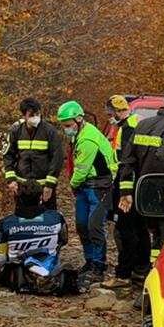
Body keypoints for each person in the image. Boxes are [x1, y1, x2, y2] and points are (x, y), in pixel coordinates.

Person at [117, 87, 164, 268]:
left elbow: (127, 160)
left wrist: (126, 191)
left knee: (147, 232)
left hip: (142, 190)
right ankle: (163, 269)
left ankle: (146, 269)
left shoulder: (142, 125)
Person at [58, 100, 117, 285]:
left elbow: (81, 170)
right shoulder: (78, 134)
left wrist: (72, 185)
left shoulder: (87, 139)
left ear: (78, 119)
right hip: (85, 186)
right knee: (82, 225)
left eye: (68, 125)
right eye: (64, 126)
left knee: (94, 225)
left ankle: (99, 266)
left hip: (100, 186)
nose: (66, 129)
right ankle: (89, 260)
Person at [106, 95, 145, 287]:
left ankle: (124, 274)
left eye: (110, 114)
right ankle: (141, 269)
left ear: (117, 111)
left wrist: (124, 192)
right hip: (137, 184)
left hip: (127, 185)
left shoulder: (128, 128)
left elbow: (128, 161)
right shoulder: (137, 122)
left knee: (125, 229)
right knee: (140, 228)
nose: (109, 118)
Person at [1, 97, 64, 215]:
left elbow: (57, 159)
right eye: (31, 115)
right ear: (24, 116)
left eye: (37, 114)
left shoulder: (49, 131)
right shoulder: (16, 131)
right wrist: (11, 179)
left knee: (48, 217)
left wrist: (50, 185)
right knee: (22, 218)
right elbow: (8, 155)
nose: (35, 117)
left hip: (44, 185)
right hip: (22, 188)